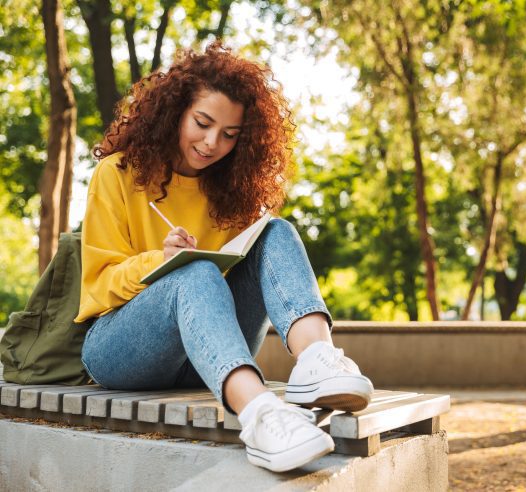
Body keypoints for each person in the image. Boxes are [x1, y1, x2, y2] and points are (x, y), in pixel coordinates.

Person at [74, 42, 374, 473]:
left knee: (276, 229)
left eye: (230, 134)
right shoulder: (116, 174)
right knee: (195, 271)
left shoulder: (233, 190)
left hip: (207, 357)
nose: (212, 142)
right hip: (119, 350)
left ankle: (316, 359)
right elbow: (98, 287)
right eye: (202, 123)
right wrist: (160, 261)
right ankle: (261, 416)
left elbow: (243, 279)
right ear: (175, 111)